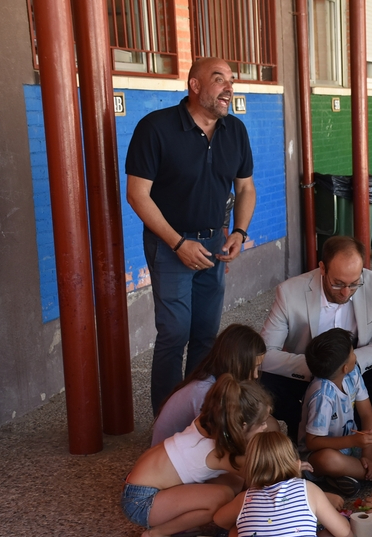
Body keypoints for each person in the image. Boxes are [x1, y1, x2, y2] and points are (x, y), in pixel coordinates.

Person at [126, 58, 256, 415]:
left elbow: (245, 188)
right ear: (195, 85)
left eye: (231, 80)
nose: (229, 87)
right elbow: (137, 194)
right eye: (219, 79)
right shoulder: (156, 128)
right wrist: (178, 243)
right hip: (170, 245)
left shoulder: (236, 130)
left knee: (206, 334)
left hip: (214, 244)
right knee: (174, 333)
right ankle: (167, 420)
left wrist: (240, 232)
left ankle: (197, 416)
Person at [260, 236, 372, 437]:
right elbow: (264, 354)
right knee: (262, 382)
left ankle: (350, 429)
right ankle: (301, 425)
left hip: (352, 372)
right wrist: (321, 367)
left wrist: (350, 364)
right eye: (338, 284)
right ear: (322, 268)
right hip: (307, 372)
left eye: (354, 284)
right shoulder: (289, 292)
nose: (346, 292)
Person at [122, 375, 274, 537]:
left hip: (144, 487)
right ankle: (155, 535)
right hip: (141, 502)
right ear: (243, 426)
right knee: (223, 497)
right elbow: (264, 473)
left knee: (234, 481)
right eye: (262, 423)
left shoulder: (210, 421)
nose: (265, 428)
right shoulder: (220, 453)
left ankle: (178, 520)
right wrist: (295, 466)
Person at [214, 431, 355, 537]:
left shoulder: (244, 498)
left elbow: (219, 519)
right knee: (345, 535)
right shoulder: (308, 489)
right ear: (297, 463)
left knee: (234, 530)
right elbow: (342, 531)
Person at [299, 328, 372, 496]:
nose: (355, 356)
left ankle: (348, 474)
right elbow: (312, 442)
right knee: (328, 460)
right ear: (345, 367)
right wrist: (353, 441)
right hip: (319, 454)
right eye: (352, 353)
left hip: (353, 446)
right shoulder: (322, 395)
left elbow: (367, 414)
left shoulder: (353, 373)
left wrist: (367, 455)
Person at [151, 324, 265, 446]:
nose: (255, 375)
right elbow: (221, 440)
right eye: (253, 367)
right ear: (237, 364)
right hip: (171, 452)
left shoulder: (213, 379)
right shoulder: (206, 391)